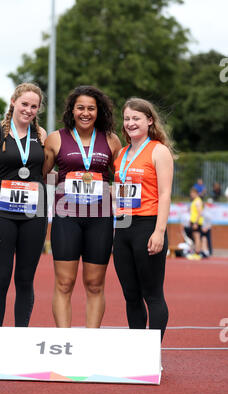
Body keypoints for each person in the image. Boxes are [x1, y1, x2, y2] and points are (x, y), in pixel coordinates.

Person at [43, 85, 122, 328]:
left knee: (95, 284)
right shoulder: (56, 138)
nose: (85, 113)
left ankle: (91, 341)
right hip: (67, 217)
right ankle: (65, 341)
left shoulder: (111, 140)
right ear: (72, 110)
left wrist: (116, 193)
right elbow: (40, 174)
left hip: (100, 218)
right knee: (64, 283)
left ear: (99, 112)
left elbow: (122, 176)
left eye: (91, 108)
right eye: (80, 108)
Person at [0, 82, 48, 327]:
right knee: (1, 278)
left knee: (26, 279)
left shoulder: (41, 135)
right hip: (2, 215)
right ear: (13, 102)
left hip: (34, 216)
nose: (28, 110)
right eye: (24, 104)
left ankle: (21, 336)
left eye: (34, 106)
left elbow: (45, 174)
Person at [113, 97, 174, 343]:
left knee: (153, 295)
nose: (130, 123)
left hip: (148, 227)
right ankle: (138, 353)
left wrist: (159, 231)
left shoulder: (159, 151)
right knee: (131, 295)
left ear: (149, 120)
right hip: (123, 228)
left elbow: (165, 193)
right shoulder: (122, 153)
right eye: (127, 119)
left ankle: (152, 353)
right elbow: (119, 189)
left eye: (136, 118)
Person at [187, 187, 204, 260]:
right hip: (193, 221)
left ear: (195, 193)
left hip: (196, 222)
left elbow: (200, 212)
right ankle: (196, 252)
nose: (191, 195)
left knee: (197, 238)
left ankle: (197, 253)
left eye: (192, 193)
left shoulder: (198, 201)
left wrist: (196, 223)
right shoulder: (194, 201)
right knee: (195, 237)